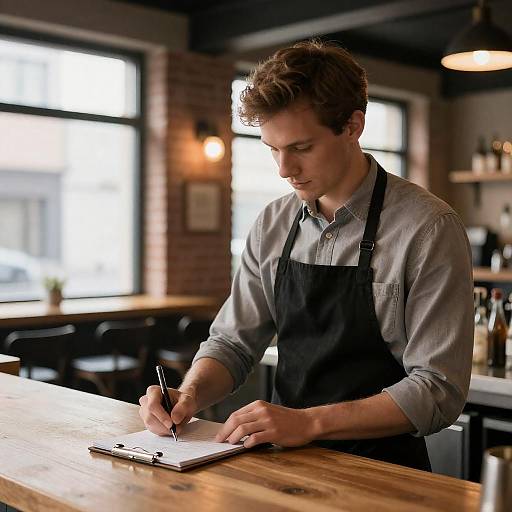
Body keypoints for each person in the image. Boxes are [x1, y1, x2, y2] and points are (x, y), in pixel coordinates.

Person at [139, 40, 474, 471]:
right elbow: (232, 343)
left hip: (385, 472)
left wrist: (308, 423)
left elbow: (437, 390)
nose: (283, 168)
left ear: (353, 126)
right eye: (272, 149)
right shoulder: (272, 223)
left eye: (300, 147)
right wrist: (189, 394)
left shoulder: (428, 229)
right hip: (282, 466)